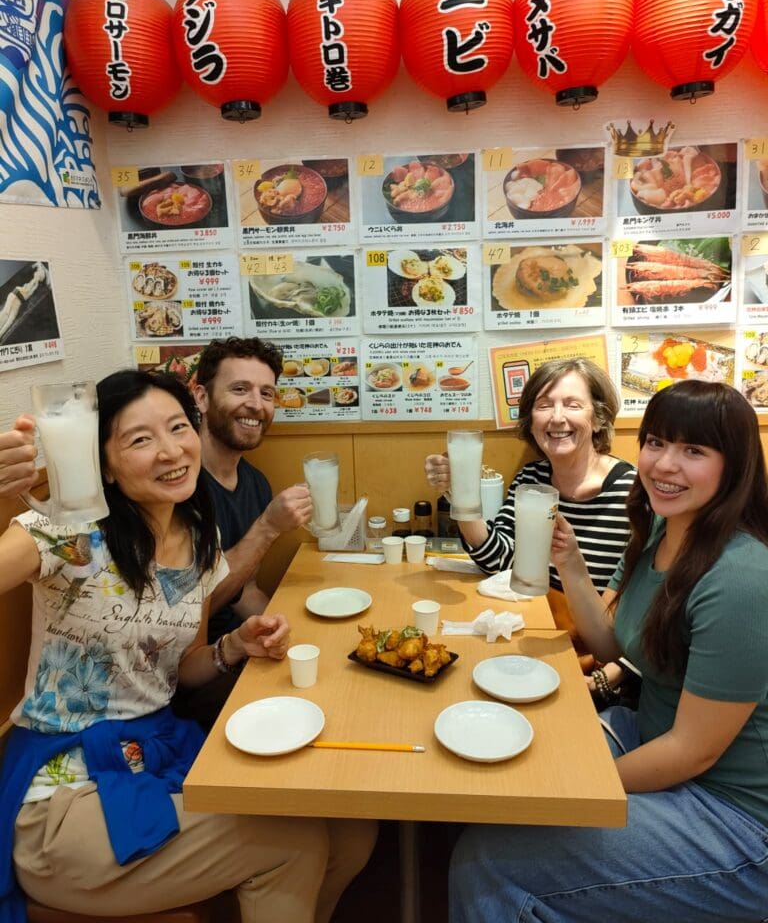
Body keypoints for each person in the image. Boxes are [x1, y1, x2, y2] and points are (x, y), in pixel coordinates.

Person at [0, 369, 375, 923]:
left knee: (352, 830)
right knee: (293, 842)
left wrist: (234, 647)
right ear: (101, 461)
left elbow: (183, 667)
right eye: (139, 439)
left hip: (153, 757)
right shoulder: (67, 533)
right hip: (66, 797)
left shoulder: (199, 539)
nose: (171, 450)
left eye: (179, 427)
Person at [450, 380, 768, 922]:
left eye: (694, 451)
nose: (665, 464)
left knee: (488, 859)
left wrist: (576, 792)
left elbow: (694, 751)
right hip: (651, 738)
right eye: (656, 442)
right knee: (504, 774)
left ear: (733, 466)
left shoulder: (742, 577)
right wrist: (572, 563)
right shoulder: (659, 529)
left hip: (733, 818)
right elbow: (610, 643)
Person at [425, 358, 636, 696]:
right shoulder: (532, 479)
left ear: (597, 419)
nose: (556, 417)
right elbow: (502, 561)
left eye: (572, 404)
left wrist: (606, 678)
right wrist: (460, 496)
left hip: (598, 662)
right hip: (538, 635)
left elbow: (642, 615)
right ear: (531, 420)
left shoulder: (632, 494)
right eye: (543, 405)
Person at [172, 336, 313, 729]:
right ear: (200, 397)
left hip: (244, 647)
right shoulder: (177, 487)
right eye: (239, 389)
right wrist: (267, 528)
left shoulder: (254, 482)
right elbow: (191, 610)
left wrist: (295, 634)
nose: (256, 404)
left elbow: (244, 593)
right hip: (191, 674)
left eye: (266, 393)